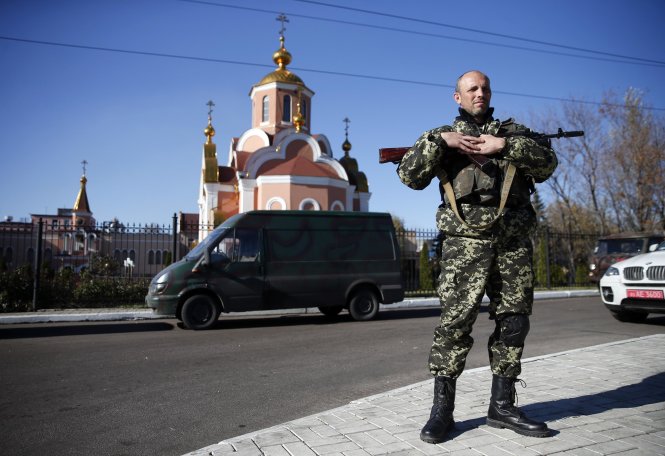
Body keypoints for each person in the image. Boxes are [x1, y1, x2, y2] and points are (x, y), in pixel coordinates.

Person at [397, 70, 558, 444]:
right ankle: (442, 412)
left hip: (512, 243)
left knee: (514, 322)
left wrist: (502, 146)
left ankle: (501, 406)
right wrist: (442, 141)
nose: (480, 93)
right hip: (463, 244)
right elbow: (409, 175)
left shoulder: (515, 134)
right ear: (458, 97)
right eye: (472, 89)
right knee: (454, 326)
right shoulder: (441, 136)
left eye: (485, 88)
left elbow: (547, 164)